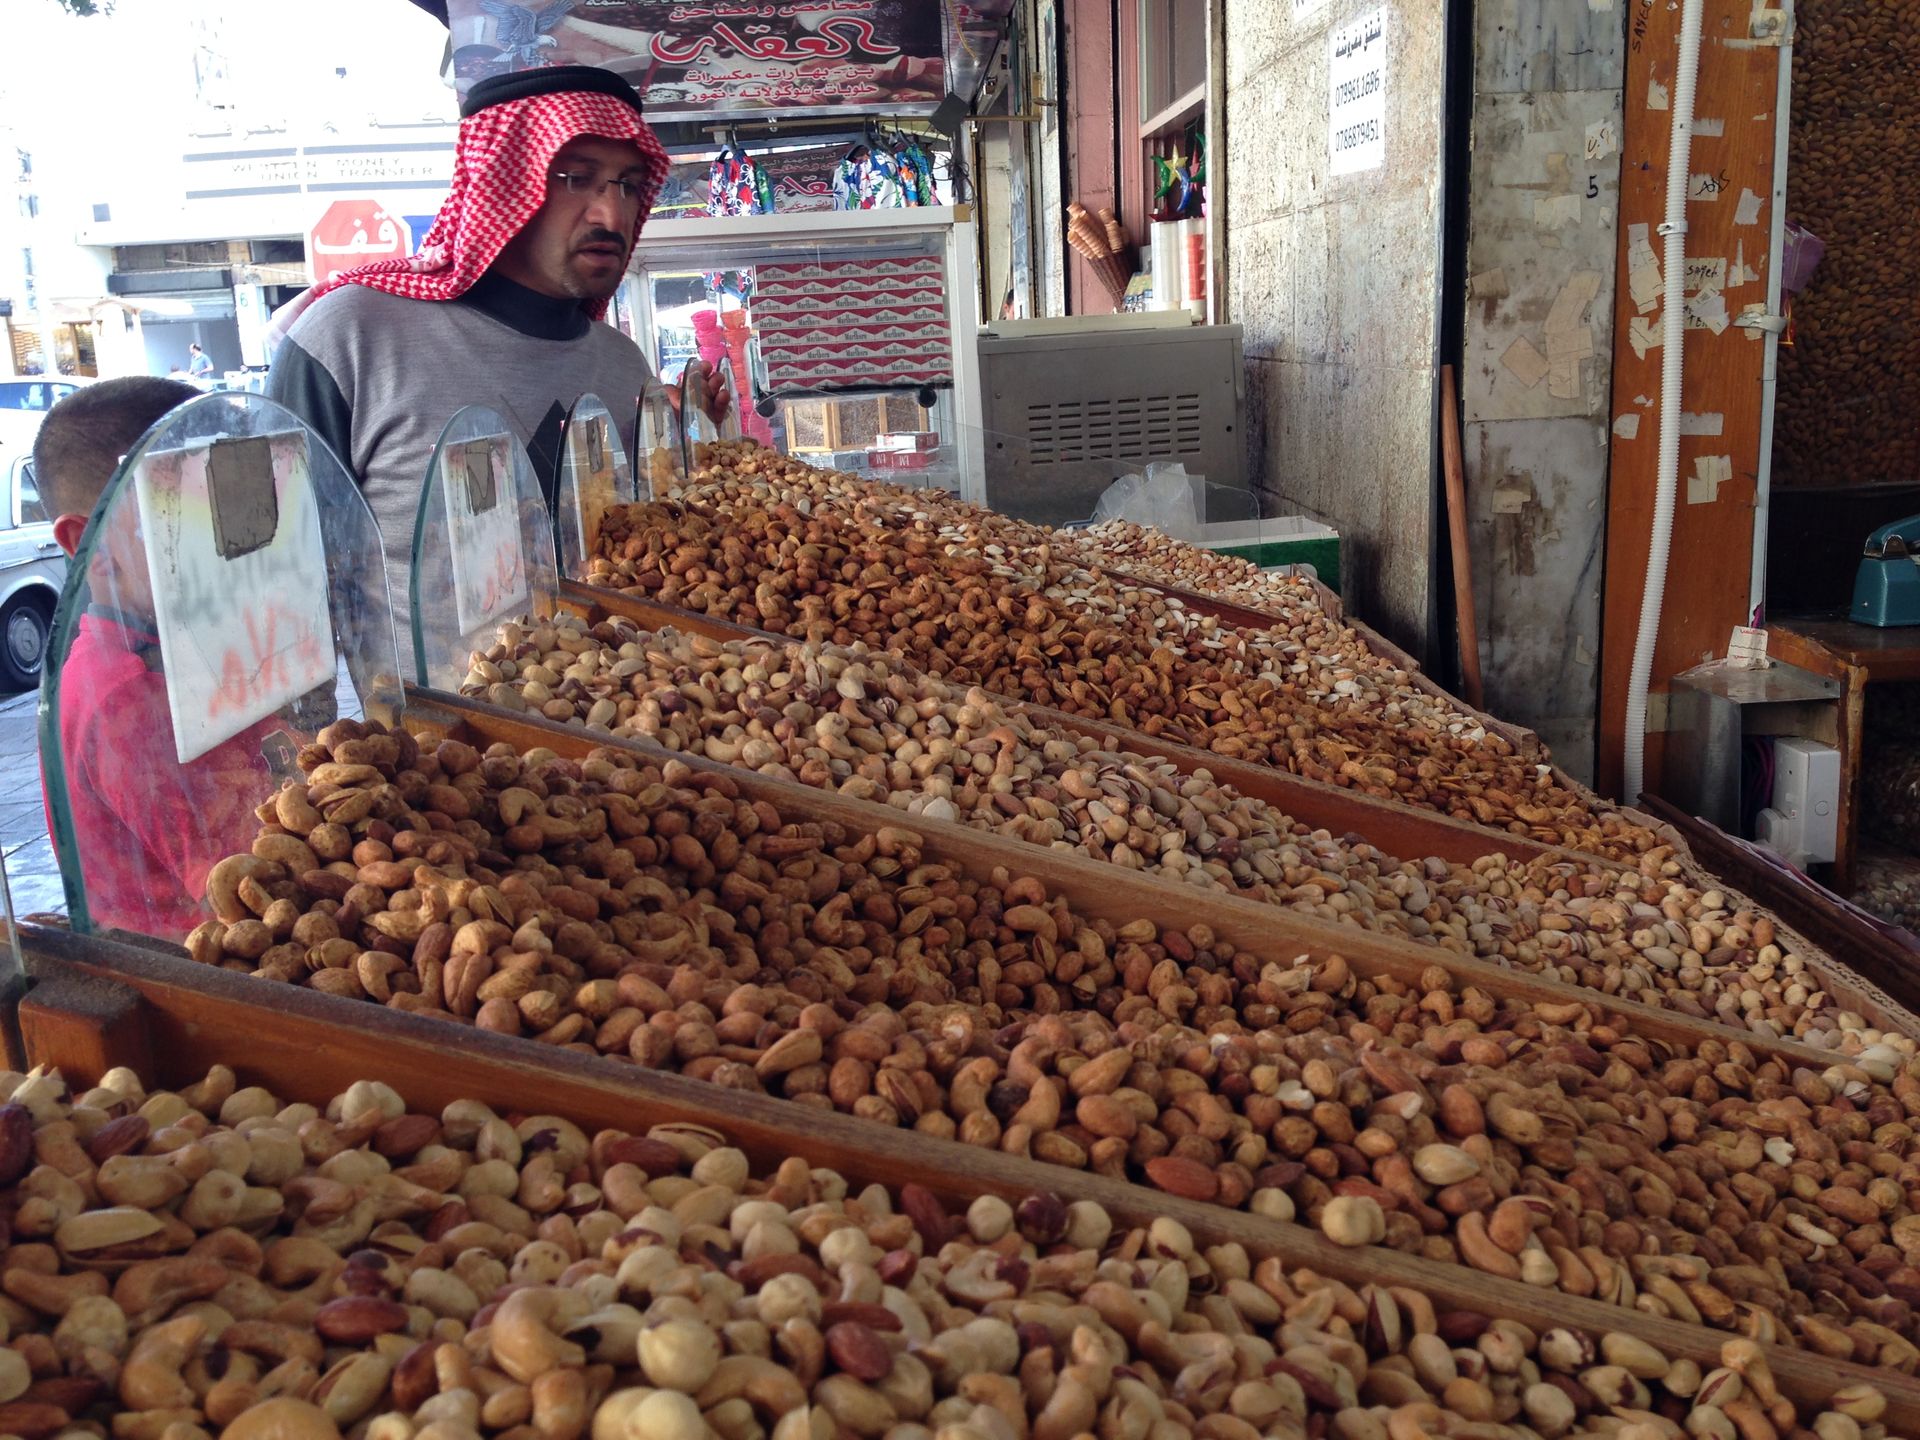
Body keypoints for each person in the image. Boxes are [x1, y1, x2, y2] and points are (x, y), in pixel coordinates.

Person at [266, 66, 729, 639]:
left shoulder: (623, 365)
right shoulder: (349, 339)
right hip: (438, 727)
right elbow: (279, 595)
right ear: (504, 183)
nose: (611, 215)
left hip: (629, 713)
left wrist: (691, 441)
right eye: (575, 179)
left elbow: (650, 554)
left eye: (628, 185)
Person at [35, 377, 282, 937]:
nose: (234, 544)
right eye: (186, 520)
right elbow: (255, 887)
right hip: (195, 974)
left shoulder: (191, 644)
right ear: (90, 548)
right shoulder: (128, 694)